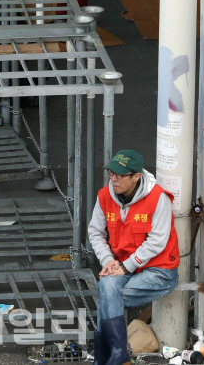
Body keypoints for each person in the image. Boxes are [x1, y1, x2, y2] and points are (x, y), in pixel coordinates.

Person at [87, 150, 179, 365]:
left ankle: (106, 355)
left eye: (120, 175)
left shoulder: (158, 198)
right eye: (111, 173)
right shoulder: (104, 196)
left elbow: (157, 241)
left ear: (136, 176)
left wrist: (126, 266)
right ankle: (118, 356)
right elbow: (95, 232)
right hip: (121, 266)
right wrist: (107, 260)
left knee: (108, 296)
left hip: (159, 271)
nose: (114, 179)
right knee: (108, 287)